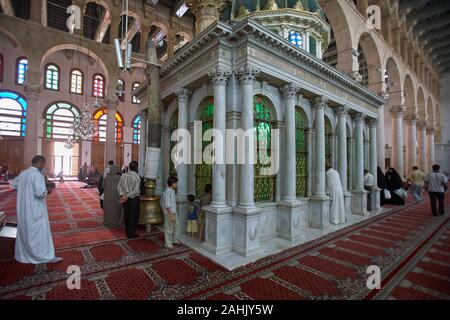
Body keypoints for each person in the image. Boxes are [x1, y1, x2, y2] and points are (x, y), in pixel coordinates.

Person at [11, 156, 62, 264]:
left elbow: (14, 184)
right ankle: (45, 256)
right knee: (40, 233)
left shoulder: (24, 173)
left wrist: (25, 191)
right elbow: (40, 193)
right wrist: (47, 192)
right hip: (35, 209)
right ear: (40, 163)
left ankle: (24, 255)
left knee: (26, 232)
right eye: (44, 163)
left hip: (24, 210)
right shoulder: (37, 175)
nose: (44, 166)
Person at [118, 161, 141, 238]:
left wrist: (123, 195)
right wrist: (127, 196)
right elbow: (136, 190)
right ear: (137, 168)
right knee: (133, 216)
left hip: (125, 199)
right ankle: (131, 233)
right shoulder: (137, 177)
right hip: (133, 199)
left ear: (129, 167)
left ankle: (127, 230)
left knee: (127, 215)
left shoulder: (123, 176)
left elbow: (119, 187)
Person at [161, 176, 180, 249]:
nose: (177, 184)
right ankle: (168, 244)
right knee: (169, 228)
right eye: (176, 183)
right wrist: (171, 214)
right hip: (169, 213)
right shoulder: (167, 192)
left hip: (174, 212)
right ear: (172, 183)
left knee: (176, 226)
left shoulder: (173, 191)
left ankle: (174, 240)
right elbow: (167, 204)